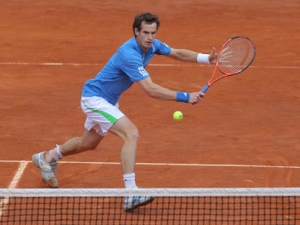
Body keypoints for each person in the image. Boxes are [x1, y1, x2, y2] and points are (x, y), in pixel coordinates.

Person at [32, 12, 217, 211]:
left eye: (153, 33)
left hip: (108, 101)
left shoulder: (152, 45)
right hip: (95, 99)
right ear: (136, 32)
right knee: (131, 133)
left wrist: (207, 58)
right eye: (145, 32)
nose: (150, 37)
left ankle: (48, 157)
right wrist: (185, 96)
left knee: (88, 144)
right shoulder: (129, 54)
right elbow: (151, 90)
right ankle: (131, 193)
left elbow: (176, 52)